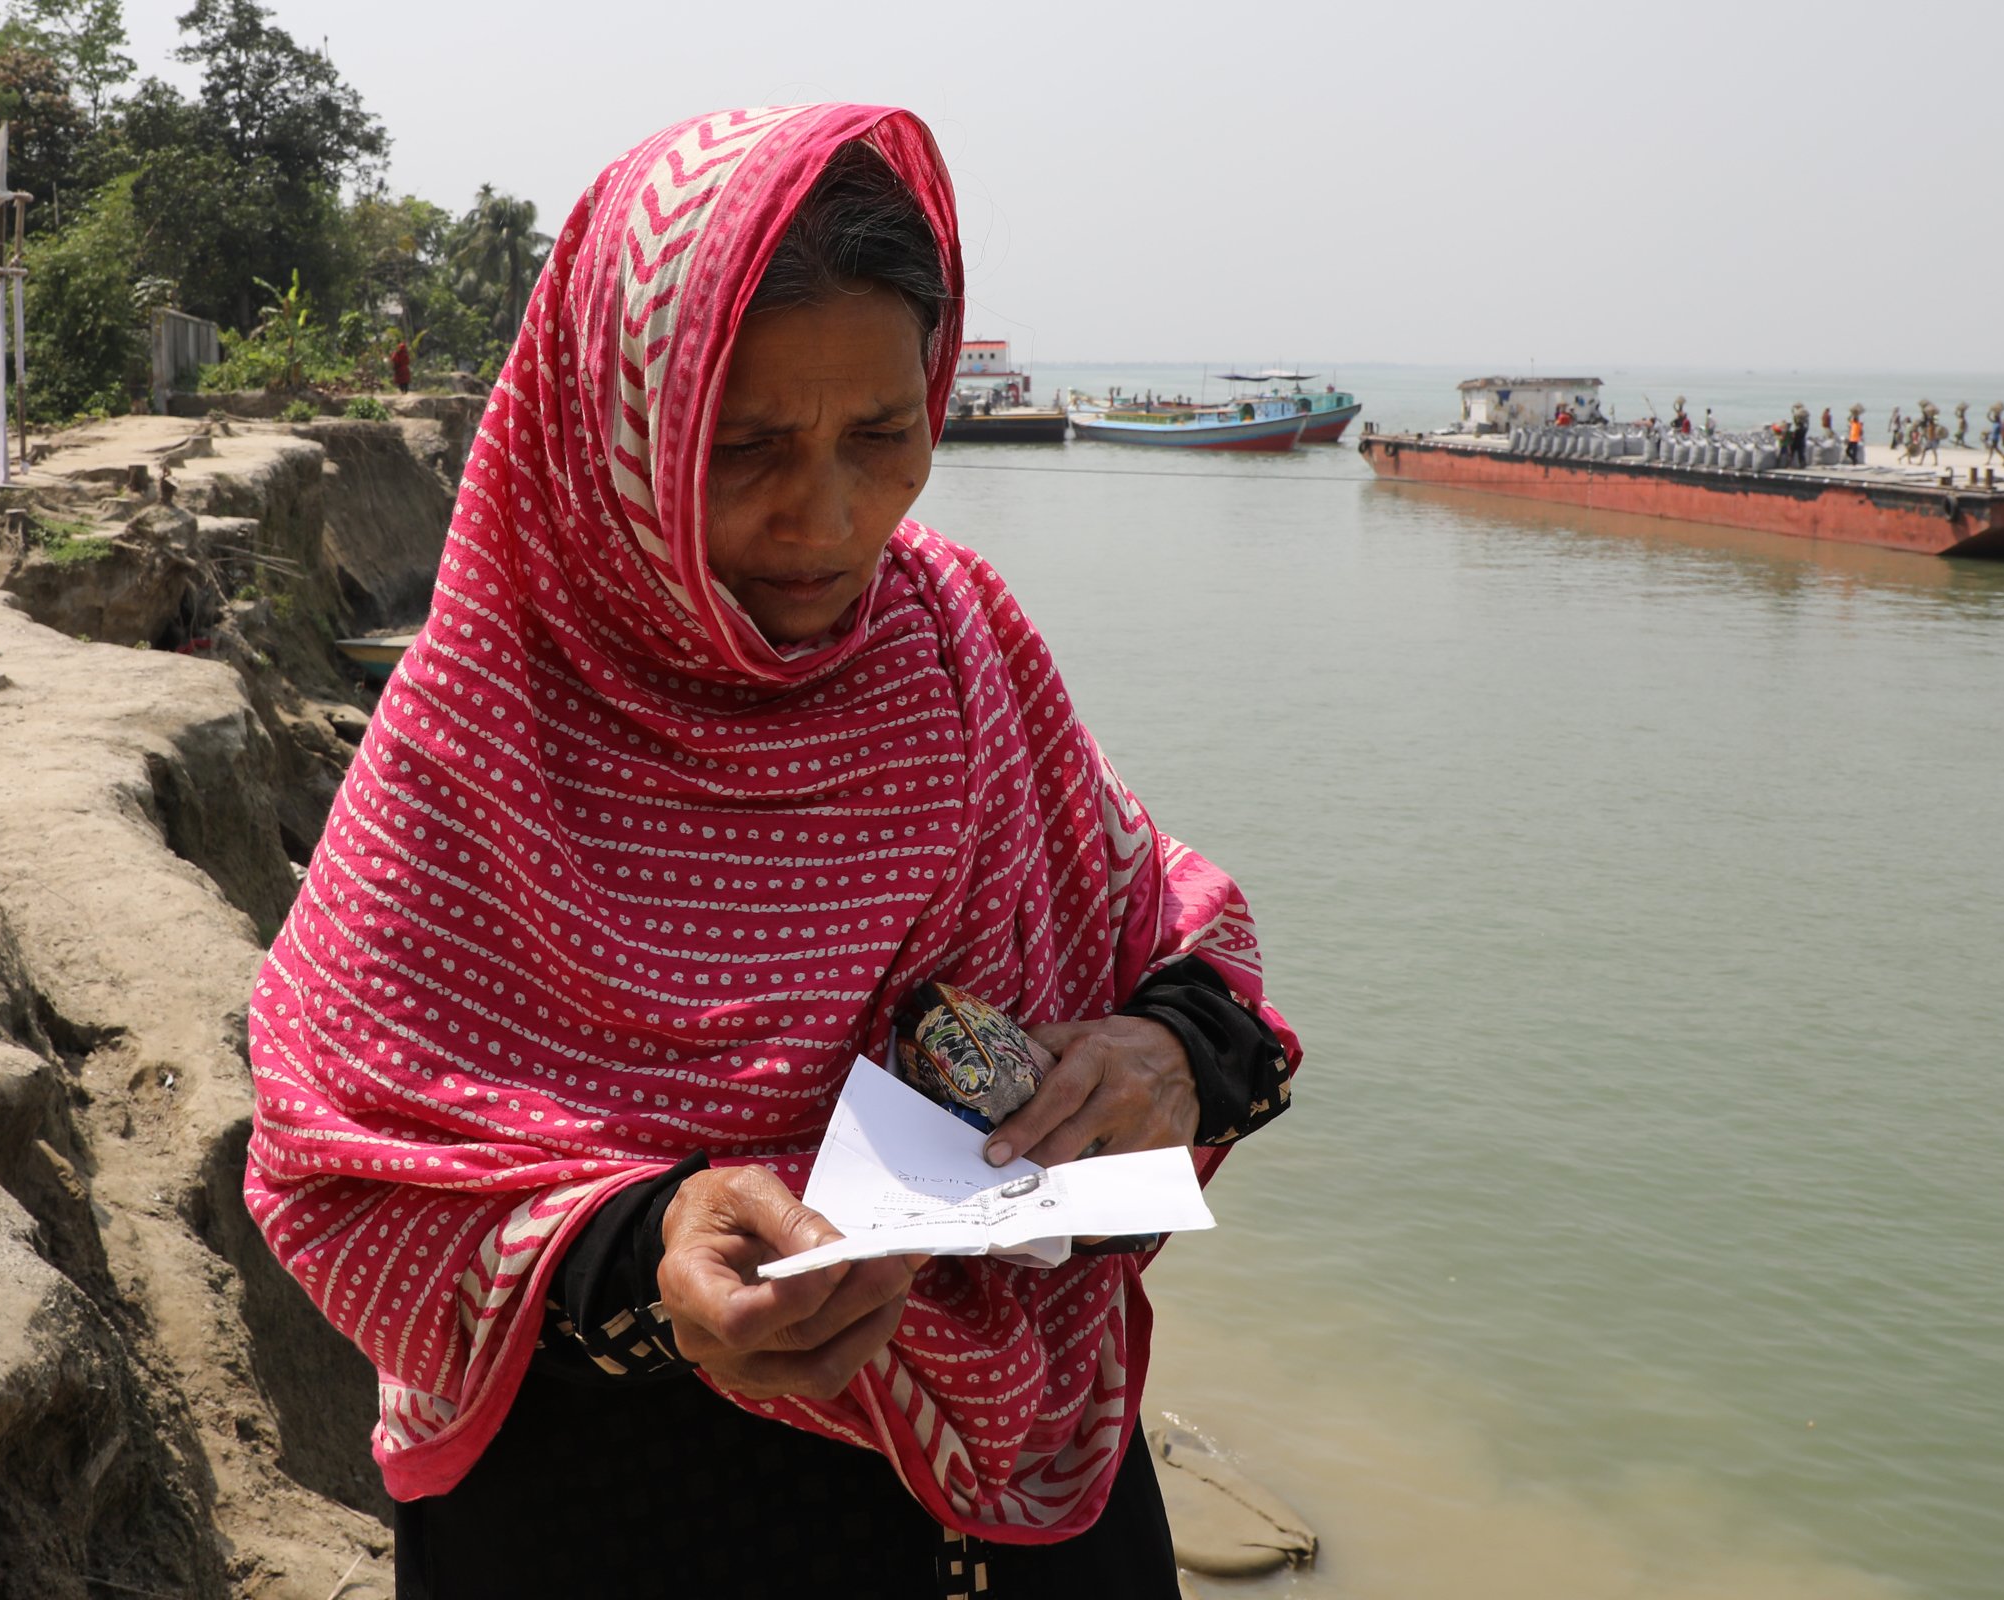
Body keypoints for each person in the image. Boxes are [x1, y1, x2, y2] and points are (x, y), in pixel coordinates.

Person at [242, 106, 1301, 1600]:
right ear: (619, 431)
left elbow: (1174, 935)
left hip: (1025, 1512)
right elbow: (339, 1159)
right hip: (623, 1512)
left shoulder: (956, 638)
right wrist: (643, 1248)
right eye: (743, 449)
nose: (830, 519)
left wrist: (1163, 1051)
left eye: (883, 434)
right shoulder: (485, 716)